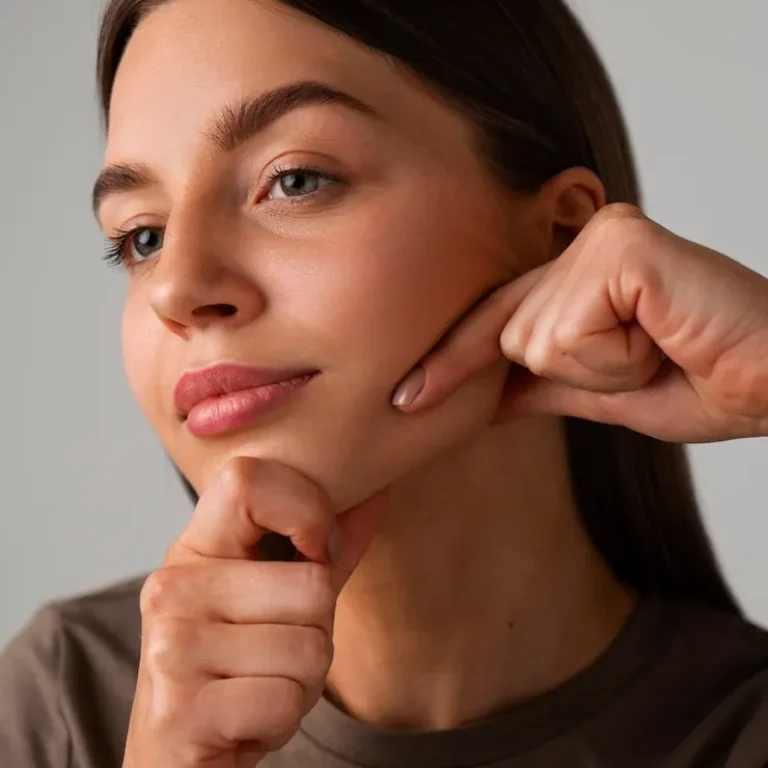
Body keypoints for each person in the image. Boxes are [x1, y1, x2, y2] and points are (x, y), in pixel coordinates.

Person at [1, 0, 767, 765]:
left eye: (295, 180)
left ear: (561, 238)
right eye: (142, 237)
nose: (177, 288)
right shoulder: (64, 708)